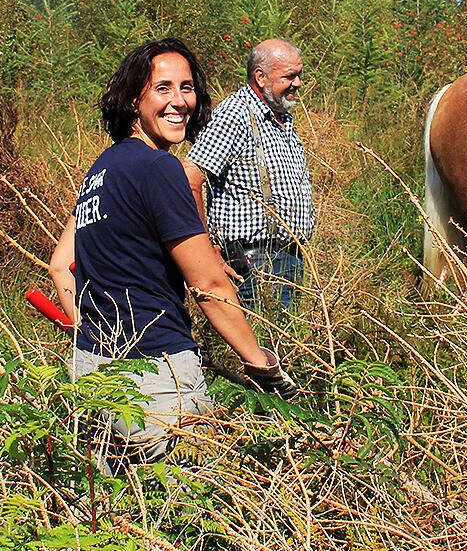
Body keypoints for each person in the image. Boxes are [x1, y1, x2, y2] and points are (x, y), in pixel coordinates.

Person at [65, 37, 298, 467]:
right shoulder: (160, 168)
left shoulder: (101, 169)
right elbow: (208, 283)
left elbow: (63, 266)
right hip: (155, 375)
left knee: (113, 510)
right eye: (163, 88)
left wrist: (90, 327)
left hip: (92, 370)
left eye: (187, 87)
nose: (179, 101)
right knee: (181, 517)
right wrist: (260, 364)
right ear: (134, 100)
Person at [187, 38, 312, 310]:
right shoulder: (236, 114)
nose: (298, 83)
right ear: (260, 77)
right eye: (289, 76)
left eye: (299, 74)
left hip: (287, 258)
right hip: (253, 264)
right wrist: (205, 251)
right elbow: (190, 178)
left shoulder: (280, 115)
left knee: (282, 346)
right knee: (262, 347)